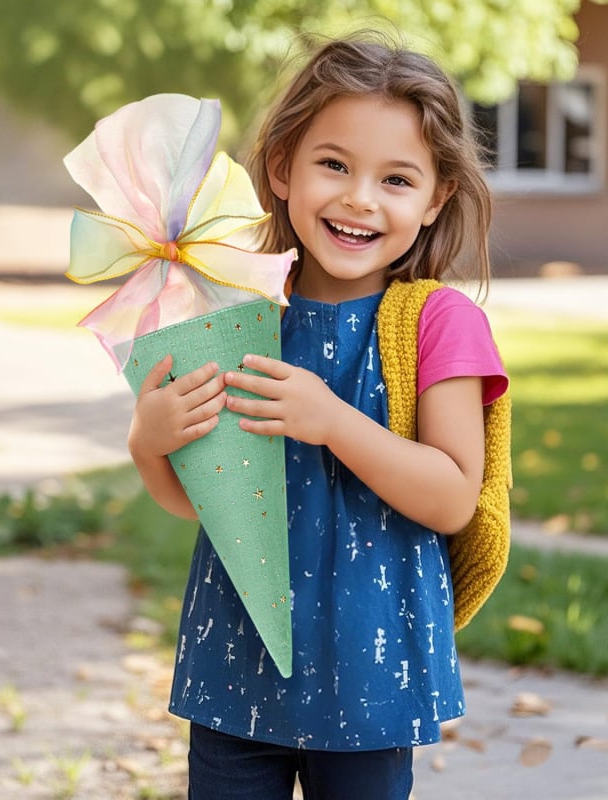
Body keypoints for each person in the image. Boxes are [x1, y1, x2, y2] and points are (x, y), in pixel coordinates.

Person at [127, 32, 509, 800]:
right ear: (282, 168)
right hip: (234, 660)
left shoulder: (436, 323)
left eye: (397, 178)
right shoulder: (235, 313)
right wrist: (150, 443)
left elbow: (451, 495)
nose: (359, 198)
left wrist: (333, 420)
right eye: (333, 164)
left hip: (372, 671)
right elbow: (203, 505)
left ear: (436, 199)